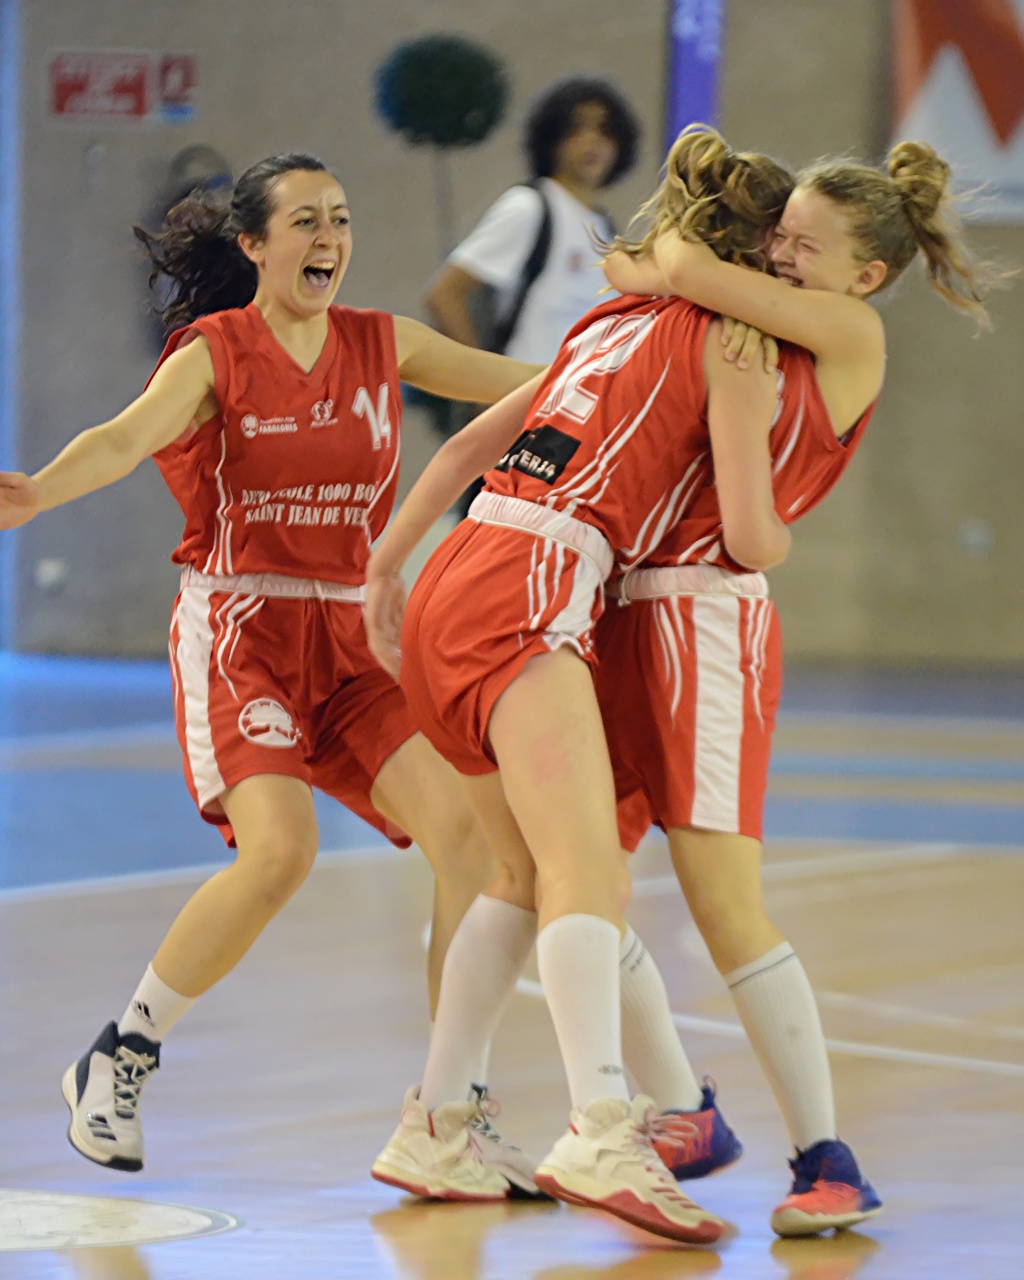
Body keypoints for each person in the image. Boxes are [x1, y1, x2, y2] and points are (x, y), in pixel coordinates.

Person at [0, 152, 545, 1177]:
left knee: (470, 841)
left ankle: (445, 1116)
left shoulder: (383, 343)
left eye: (340, 218)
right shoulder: (215, 355)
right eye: (305, 221)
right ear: (254, 244)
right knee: (280, 852)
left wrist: (644, 361)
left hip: (348, 638)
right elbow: (122, 439)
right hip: (241, 628)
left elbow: (534, 383)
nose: (329, 238)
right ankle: (120, 1053)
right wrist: (39, 491)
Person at [365, 127, 796, 1245]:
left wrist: (385, 568)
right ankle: (604, 1124)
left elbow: (458, 453)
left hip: (456, 566)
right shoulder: (735, 338)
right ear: (760, 255)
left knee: (516, 875)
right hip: (537, 577)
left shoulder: (604, 318)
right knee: (583, 869)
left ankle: (436, 1122)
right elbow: (749, 531)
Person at [600, 138, 997, 1236]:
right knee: (570, 880)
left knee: (723, 903)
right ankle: (682, 1109)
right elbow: (628, 269)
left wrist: (680, 250)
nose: (778, 255)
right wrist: (666, 264)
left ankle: (829, 1156)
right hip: (621, 601)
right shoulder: (759, 317)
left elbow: (671, 264)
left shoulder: (851, 333)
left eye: (804, 245)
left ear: (866, 273)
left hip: (705, 614)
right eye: (778, 235)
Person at [424, 77, 641, 511]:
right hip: (522, 418)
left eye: (604, 130)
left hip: (578, 426)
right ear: (551, 138)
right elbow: (445, 294)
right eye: (576, 128)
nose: (592, 141)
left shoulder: (604, 226)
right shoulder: (530, 206)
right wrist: (484, 388)